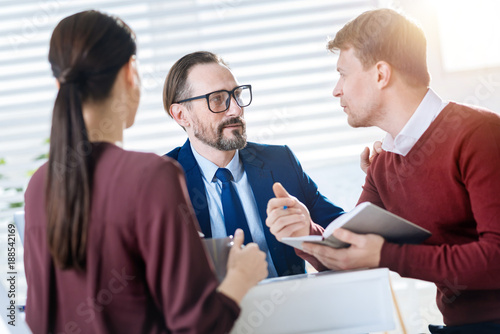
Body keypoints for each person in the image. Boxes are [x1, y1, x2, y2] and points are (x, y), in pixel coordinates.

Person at [23, 11, 267, 334]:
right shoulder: (153, 177)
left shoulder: (38, 185)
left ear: (60, 84)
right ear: (129, 73)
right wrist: (241, 276)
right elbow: (197, 325)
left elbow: (36, 319)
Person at [266, 8, 500, 333]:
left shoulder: (479, 134)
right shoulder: (384, 164)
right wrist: (304, 233)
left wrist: (387, 255)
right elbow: (349, 255)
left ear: (380, 74)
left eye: (343, 74)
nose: (337, 89)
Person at [162, 51, 345, 277]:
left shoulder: (280, 163)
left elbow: (347, 242)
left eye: (237, 95)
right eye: (217, 98)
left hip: (294, 307)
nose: (236, 109)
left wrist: (307, 231)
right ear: (181, 115)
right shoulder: (160, 182)